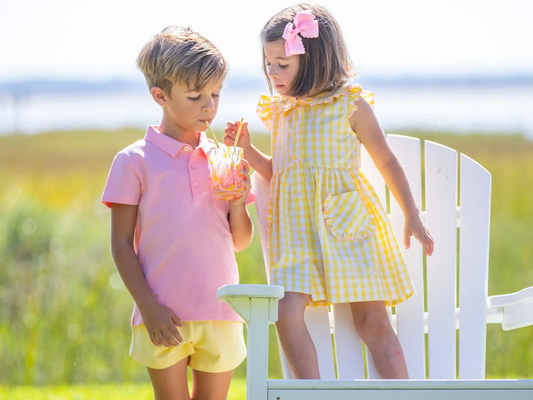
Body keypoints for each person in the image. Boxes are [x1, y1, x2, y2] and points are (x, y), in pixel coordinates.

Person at [224, 4, 434, 380]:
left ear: (315, 59)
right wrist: (247, 150)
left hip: (346, 226)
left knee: (371, 320)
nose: (272, 73)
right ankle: (311, 391)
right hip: (297, 235)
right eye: (268, 63)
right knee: (286, 313)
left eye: (282, 64)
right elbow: (281, 172)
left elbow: (385, 160)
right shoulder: (282, 112)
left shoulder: (349, 105)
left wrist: (411, 212)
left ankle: (402, 392)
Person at [102, 26, 253, 400]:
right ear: (160, 95)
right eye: (195, 95)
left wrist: (238, 200)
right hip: (161, 314)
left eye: (216, 94)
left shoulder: (223, 156)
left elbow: (240, 241)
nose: (209, 106)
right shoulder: (133, 161)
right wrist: (148, 307)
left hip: (221, 310)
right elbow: (121, 244)